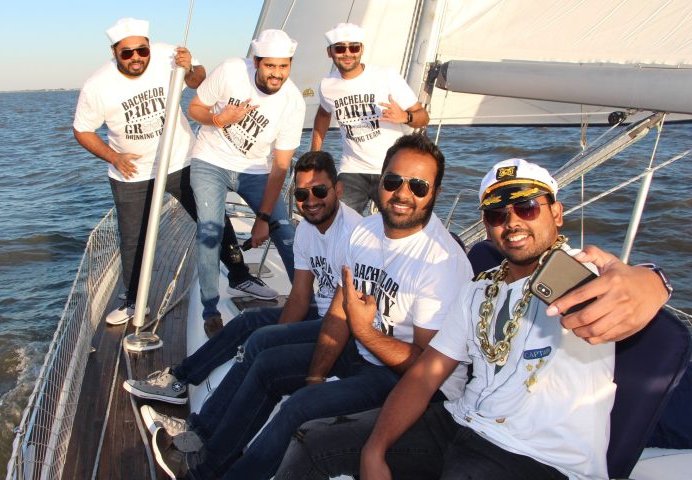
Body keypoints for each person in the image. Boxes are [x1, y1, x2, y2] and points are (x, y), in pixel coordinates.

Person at [276, 158, 673, 480]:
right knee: (312, 441)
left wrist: (652, 280)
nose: (512, 221)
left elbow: (628, 292)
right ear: (486, 225)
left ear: (556, 213)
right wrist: (375, 449)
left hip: (536, 457)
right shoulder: (478, 290)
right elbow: (426, 373)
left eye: (527, 207)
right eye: (497, 213)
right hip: (459, 423)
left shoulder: (581, 279)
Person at [151, 134, 473, 479]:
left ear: (435, 193)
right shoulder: (365, 232)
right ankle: (208, 462)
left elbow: (427, 367)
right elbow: (337, 311)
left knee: (299, 408)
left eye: (419, 186)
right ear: (380, 181)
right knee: (267, 366)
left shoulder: (441, 263)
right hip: (364, 350)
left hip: (416, 383)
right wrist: (317, 375)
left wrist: (363, 331)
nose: (403, 194)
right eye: (394, 181)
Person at [123, 151, 362, 412]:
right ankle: (180, 379)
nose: (311, 201)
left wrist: (274, 342)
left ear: (337, 189)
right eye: (302, 195)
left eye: (319, 190)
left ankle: (201, 427)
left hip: (345, 326)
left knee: (259, 345)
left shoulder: (355, 235)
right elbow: (300, 297)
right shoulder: (306, 228)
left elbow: (348, 316)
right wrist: (278, 335)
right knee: (249, 321)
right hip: (324, 313)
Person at [73, 18, 274, 327]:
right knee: (133, 240)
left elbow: (198, 81)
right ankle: (133, 300)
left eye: (142, 49)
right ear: (114, 52)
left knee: (213, 218)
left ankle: (240, 276)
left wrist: (190, 67)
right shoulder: (97, 85)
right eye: (128, 53)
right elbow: (82, 130)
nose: (137, 57)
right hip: (133, 172)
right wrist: (113, 156)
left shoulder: (169, 55)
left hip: (181, 159)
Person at [187, 29, 305, 337]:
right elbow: (195, 109)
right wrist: (219, 119)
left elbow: (280, 165)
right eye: (270, 66)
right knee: (209, 230)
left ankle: (306, 302)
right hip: (210, 160)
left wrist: (263, 219)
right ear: (256, 62)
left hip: (255, 170)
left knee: (285, 229)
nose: (276, 74)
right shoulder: (230, 70)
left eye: (283, 66)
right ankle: (210, 309)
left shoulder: (293, 102)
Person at [310, 23, 430, 214]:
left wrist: (405, 116)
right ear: (330, 52)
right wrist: (314, 154)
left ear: (362, 49)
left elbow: (423, 117)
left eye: (354, 47)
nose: (348, 53)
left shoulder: (386, 76)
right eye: (340, 48)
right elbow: (323, 115)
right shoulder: (327, 85)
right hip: (352, 169)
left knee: (399, 224)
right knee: (337, 222)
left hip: (391, 168)